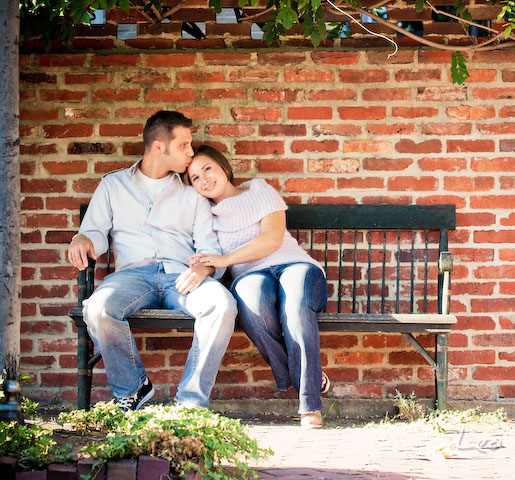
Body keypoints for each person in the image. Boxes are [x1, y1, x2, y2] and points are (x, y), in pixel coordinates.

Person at [67, 111, 237, 411]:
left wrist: (203, 268)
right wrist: (81, 238)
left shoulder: (192, 191)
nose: (191, 152)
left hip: (181, 276)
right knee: (97, 308)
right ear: (159, 147)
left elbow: (209, 247)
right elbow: (93, 231)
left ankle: (191, 401)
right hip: (132, 277)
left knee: (222, 304)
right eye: (184, 144)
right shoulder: (113, 185)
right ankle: (132, 389)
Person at [186, 145, 329, 429]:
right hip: (250, 274)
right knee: (251, 306)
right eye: (193, 178)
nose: (203, 179)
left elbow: (272, 239)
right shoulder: (204, 216)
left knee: (296, 306)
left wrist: (225, 258)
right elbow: (207, 255)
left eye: (207, 169)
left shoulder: (258, 189)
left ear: (223, 167)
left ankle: (310, 404)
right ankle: (302, 374)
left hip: (294, 264)